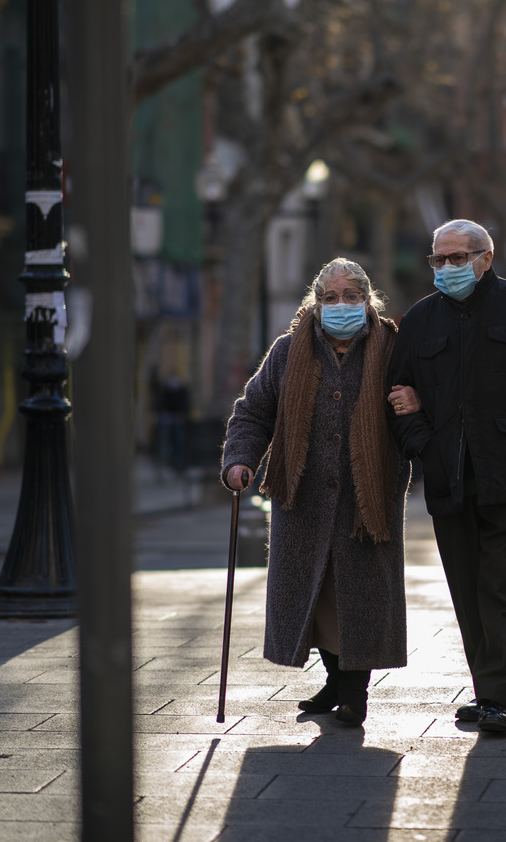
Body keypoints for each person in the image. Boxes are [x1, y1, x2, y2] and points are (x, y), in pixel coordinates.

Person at [386, 219, 506, 735]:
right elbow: (397, 400)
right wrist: (422, 443)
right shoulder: (420, 322)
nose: (447, 268)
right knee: (467, 589)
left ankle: (496, 697)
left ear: (486, 258)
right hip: (449, 476)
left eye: (457, 258)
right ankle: (488, 690)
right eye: (438, 260)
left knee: (504, 587)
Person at [220, 258, 410, 726]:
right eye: (330, 297)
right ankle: (334, 681)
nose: (340, 305)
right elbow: (253, 412)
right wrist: (239, 460)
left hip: (368, 501)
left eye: (350, 296)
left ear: (367, 301)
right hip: (301, 499)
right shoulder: (288, 352)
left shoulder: (393, 350)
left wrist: (416, 404)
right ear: (315, 302)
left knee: (361, 598)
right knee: (316, 595)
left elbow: (422, 408)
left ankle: (354, 693)